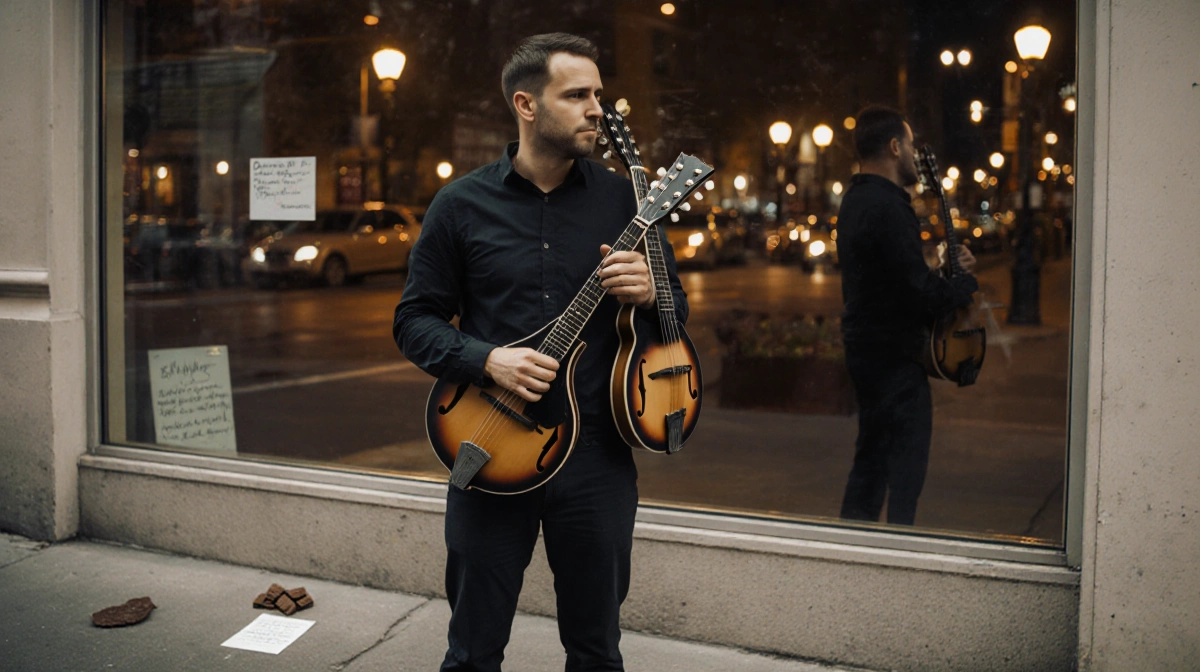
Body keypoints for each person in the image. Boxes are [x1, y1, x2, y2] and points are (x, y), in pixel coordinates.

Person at [392, 33, 688, 672]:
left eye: (599, 95)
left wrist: (649, 292)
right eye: (577, 95)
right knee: (472, 650)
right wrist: (486, 360)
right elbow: (413, 321)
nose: (597, 111)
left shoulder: (626, 201)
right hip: (491, 449)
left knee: (596, 649)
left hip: (597, 460)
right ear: (526, 105)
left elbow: (675, 319)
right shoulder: (461, 205)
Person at [836, 106, 978, 526]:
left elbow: (893, 282)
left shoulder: (857, 200)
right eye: (911, 145)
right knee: (904, 472)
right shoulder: (886, 206)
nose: (915, 155)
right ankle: (900, 553)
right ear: (895, 146)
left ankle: (852, 549)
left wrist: (938, 274)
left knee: (872, 464)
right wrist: (962, 285)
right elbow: (915, 294)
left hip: (869, 352)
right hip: (893, 359)